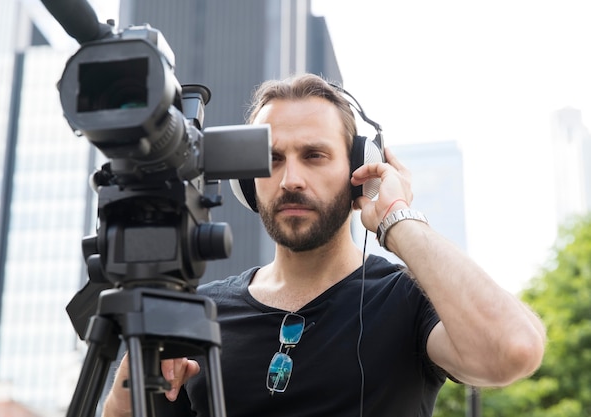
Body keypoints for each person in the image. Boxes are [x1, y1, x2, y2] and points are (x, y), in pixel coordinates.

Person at [102, 73, 546, 417]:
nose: (291, 179)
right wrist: (136, 369)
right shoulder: (196, 315)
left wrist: (395, 218)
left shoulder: (410, 298)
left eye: (314, 155)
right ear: (245, 182)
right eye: (271, 159)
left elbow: (513, 350)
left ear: (360, 168)